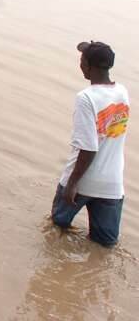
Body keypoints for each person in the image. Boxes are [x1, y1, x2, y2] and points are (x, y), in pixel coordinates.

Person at [51, 41, 129, 247]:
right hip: (112, 186)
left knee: (56, 229)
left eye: (82, 60)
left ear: (87, 66)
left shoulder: (86, 98)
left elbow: (88, 148)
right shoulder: (122, 92)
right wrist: (89, 47)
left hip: (83, 181)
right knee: (104, 246)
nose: (80, 64)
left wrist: (72, 184)